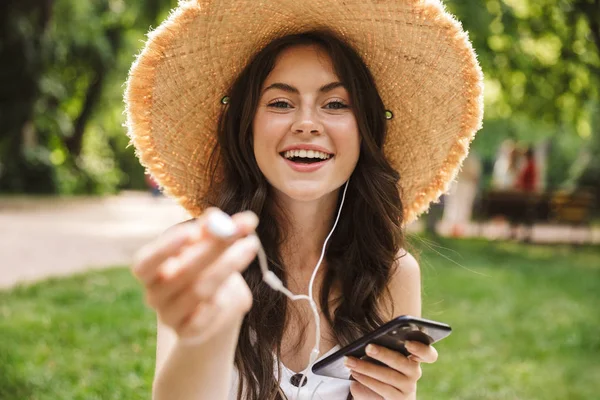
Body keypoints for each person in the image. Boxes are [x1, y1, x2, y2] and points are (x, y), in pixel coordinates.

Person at [124, 1, 483, 399]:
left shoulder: (392, 272)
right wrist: (204, 335)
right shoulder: (206, 255)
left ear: (364, 131)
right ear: (247, 127)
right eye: (280, 103)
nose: (307, 123)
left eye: (335, 104)